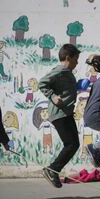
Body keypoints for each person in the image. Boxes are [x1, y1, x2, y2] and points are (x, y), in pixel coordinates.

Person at [39, 44, 80, 188]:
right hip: (59, 113)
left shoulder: (66, 71)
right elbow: (42, 83)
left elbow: (65, 89)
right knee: (72, 144)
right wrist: (53, 96)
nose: (77, 63)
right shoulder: (60, 70)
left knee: (73, 144)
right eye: (76, 59)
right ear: (68, 58)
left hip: (66, 113)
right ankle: (52, 170)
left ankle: (53, 170)